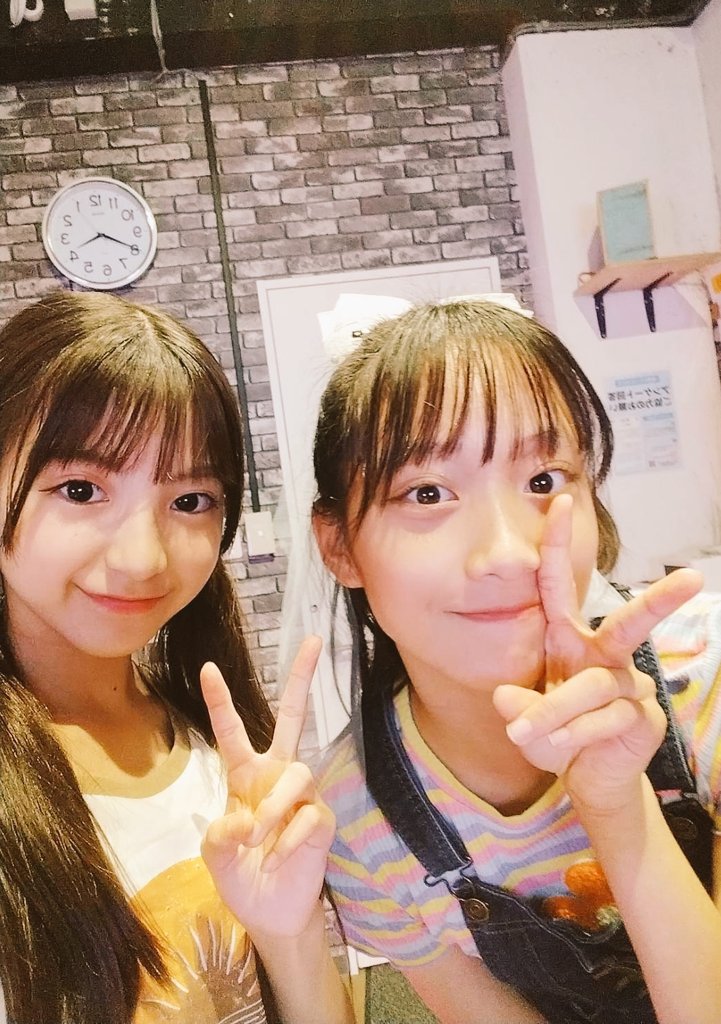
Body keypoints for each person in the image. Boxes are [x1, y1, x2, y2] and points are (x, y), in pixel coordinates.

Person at [311, 297, 721, 1024]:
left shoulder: (702, 676)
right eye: (427, 492)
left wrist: (620, 808)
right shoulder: (355, 821)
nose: (507, 551)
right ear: (339, 545)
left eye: (542, 481)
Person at [0, 290, 353, 1024]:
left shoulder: (218, 752)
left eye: (190, 500)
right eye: (80, 489)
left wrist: (289, 934)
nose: (142, 558)